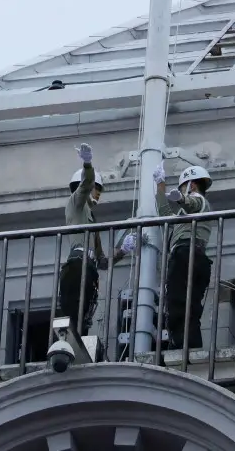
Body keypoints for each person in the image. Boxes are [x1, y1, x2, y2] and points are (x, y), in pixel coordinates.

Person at [57, 143, 136, 339]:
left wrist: (123, 251)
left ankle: (78, 345)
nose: (98, 192)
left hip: (89, 268)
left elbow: (102, 262)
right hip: (77, 266)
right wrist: (87, 164)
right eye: (96, 188)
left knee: (85, 317)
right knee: (73, 312)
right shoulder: (76, 203)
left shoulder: (92, 221)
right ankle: (66, 345)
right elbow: (85, 185)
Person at [153, 162, 214, 350]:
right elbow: (165, 213)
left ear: (191, 185)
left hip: (185, 254)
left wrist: (181, 199)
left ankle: (182, 347)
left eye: (182, 187)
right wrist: (160, 185)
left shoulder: (198, 200)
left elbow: (191, 203)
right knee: (187, 307)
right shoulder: (185, 213)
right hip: (193, 257)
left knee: (179, 304)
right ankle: (186, 345)